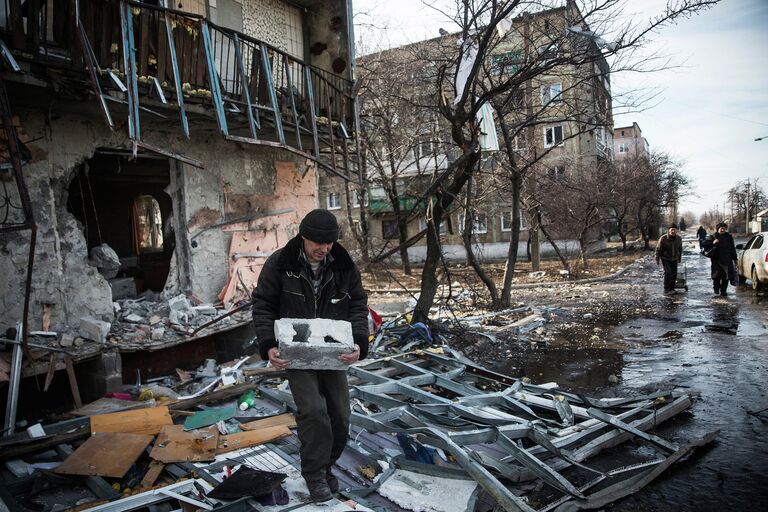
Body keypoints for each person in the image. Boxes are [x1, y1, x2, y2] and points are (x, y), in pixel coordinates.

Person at [251, 209, 369, 502]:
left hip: (333, 353)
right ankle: (314, 474)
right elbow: (263, 305)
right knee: (314, 411)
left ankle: (326, 467)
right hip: (297, 353)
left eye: (329, 243)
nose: (324, 249)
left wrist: (359, 342)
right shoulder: (280, 263)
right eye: (317, 242)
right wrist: (268, 344)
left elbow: (358, 305)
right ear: (303, 236)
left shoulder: (342, 265)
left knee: (340, 414)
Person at [701, 222, 737, 296]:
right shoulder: (713, 236)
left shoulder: (729, 237)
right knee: (716, 276)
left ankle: (723, 291)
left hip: (727, 260)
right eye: (721, 228)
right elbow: (704, 243)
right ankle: (716, 289)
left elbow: (732, 248)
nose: (722, 230)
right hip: (716, 260)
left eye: (724, 228)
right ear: (718, 229)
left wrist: (735, 258)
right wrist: (713, 243)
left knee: (726, 277)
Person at [655, 223, 683, 294]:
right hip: (665, 258)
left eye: (674, 230)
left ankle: (672, 289)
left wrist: (679, 258)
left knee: (674, 273)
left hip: (674, 258)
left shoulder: (678, 239)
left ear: (676, 231)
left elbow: (680, 249)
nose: (673, 231)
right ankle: (666, 289)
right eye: (671, 230)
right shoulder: (663, 238)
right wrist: (657, 259)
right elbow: (658, 249)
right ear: (669, 230)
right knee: (668, 273)